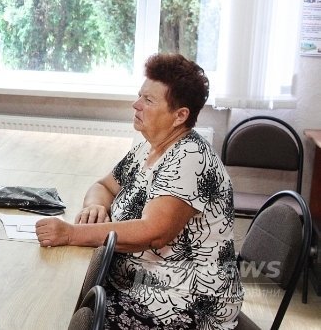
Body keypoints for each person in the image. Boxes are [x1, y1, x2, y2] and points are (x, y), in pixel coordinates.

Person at [35, 53, 242, 329]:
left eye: (149, 100)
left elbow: (153, 232)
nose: (136, 105)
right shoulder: (149, 147)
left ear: (180, 116)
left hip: (182, 303)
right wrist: (96, 206)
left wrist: (72, 233)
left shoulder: (190, 158)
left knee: (54, 311)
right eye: (139, 96)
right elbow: (103, 186)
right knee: (54, 299)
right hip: (135, 285)